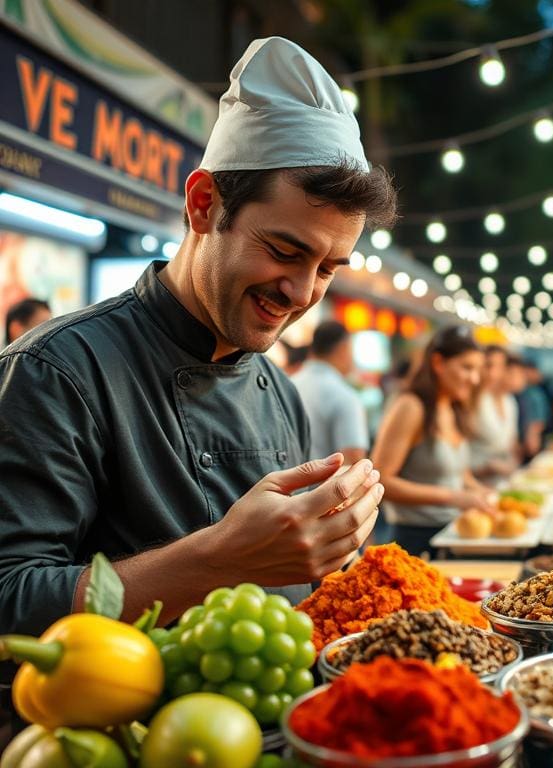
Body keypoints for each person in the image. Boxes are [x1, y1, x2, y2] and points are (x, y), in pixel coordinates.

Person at [0, 36, 397, 640]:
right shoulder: (56, 372)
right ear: (204, 203)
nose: (301, 293)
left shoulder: (278, 392)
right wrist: (218, 562)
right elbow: (9, 597)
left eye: (327, 269)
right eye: (285, 251)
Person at [371, 326, 495, 556]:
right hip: (413, 541)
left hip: (451, 534)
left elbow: (459, 474)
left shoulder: (453, 406)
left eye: (478, 369)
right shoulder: (411, 406)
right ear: (438, 363)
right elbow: (382, 480)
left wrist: (484, 493)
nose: (475, 379)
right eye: (467, 367)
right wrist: (453, 497)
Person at [292, 320, 368, 465]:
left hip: (279, 485)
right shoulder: (345, 396)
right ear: (343, 348)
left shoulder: (288, 384)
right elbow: (353, 461)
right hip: (322, 487)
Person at [469, 345, 519, 480]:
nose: (492, 373)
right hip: (477, 479)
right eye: (488, 365)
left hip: (502, 478)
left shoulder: (509, 401)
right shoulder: (472, 399)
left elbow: (511, 443)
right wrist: (488, 468)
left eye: (499, 367)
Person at [519, 360, 552, 461]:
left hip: (533, 438)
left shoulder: (534, 392)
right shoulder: (527, 392)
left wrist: (533, 436)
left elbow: (539, 421)